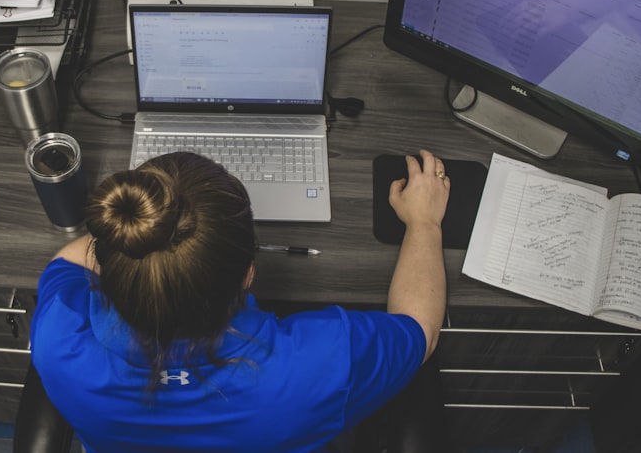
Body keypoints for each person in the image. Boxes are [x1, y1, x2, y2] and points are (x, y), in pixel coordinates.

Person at [30, 149, 449, 452]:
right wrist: (425, 222)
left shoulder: (58, 337)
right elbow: (422, 330)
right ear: (249, 273)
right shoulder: (318, 365)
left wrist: (141, 236)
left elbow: (68, 260)